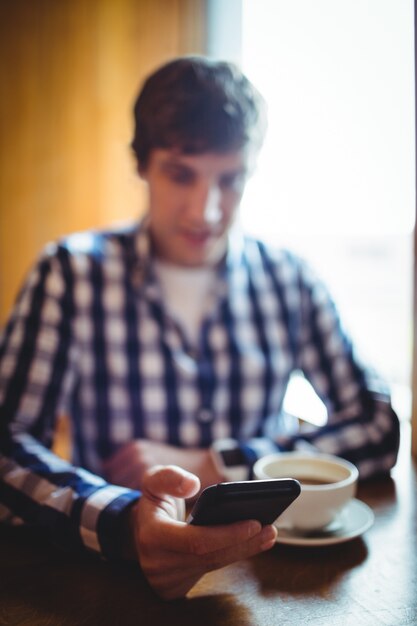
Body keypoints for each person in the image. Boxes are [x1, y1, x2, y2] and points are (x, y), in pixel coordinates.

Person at [0, 56, 399, 599]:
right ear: (142, 164)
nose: (206, 210)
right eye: (181, 174)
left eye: (229, 180)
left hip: (269, 582)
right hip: (107, 578)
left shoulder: (290, 278)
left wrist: (217, 463)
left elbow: (378, 424)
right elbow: (8, 441)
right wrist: (121, 520)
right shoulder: (69, 272)